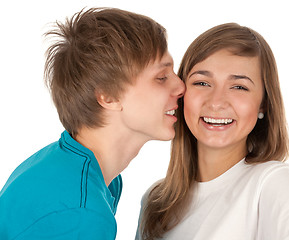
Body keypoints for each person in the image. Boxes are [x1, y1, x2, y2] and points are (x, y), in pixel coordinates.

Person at [0, 7, 184, 240]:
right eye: (161, 78)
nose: (180, 87)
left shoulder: (91, 175)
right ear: (108, 96)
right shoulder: (81, 211)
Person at [136, 23, 289, 240]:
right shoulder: (155, 202)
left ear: (263, 104)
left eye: (239, 87)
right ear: (181, 93)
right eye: (202, 82)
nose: (217, 102)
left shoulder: (269, 182)